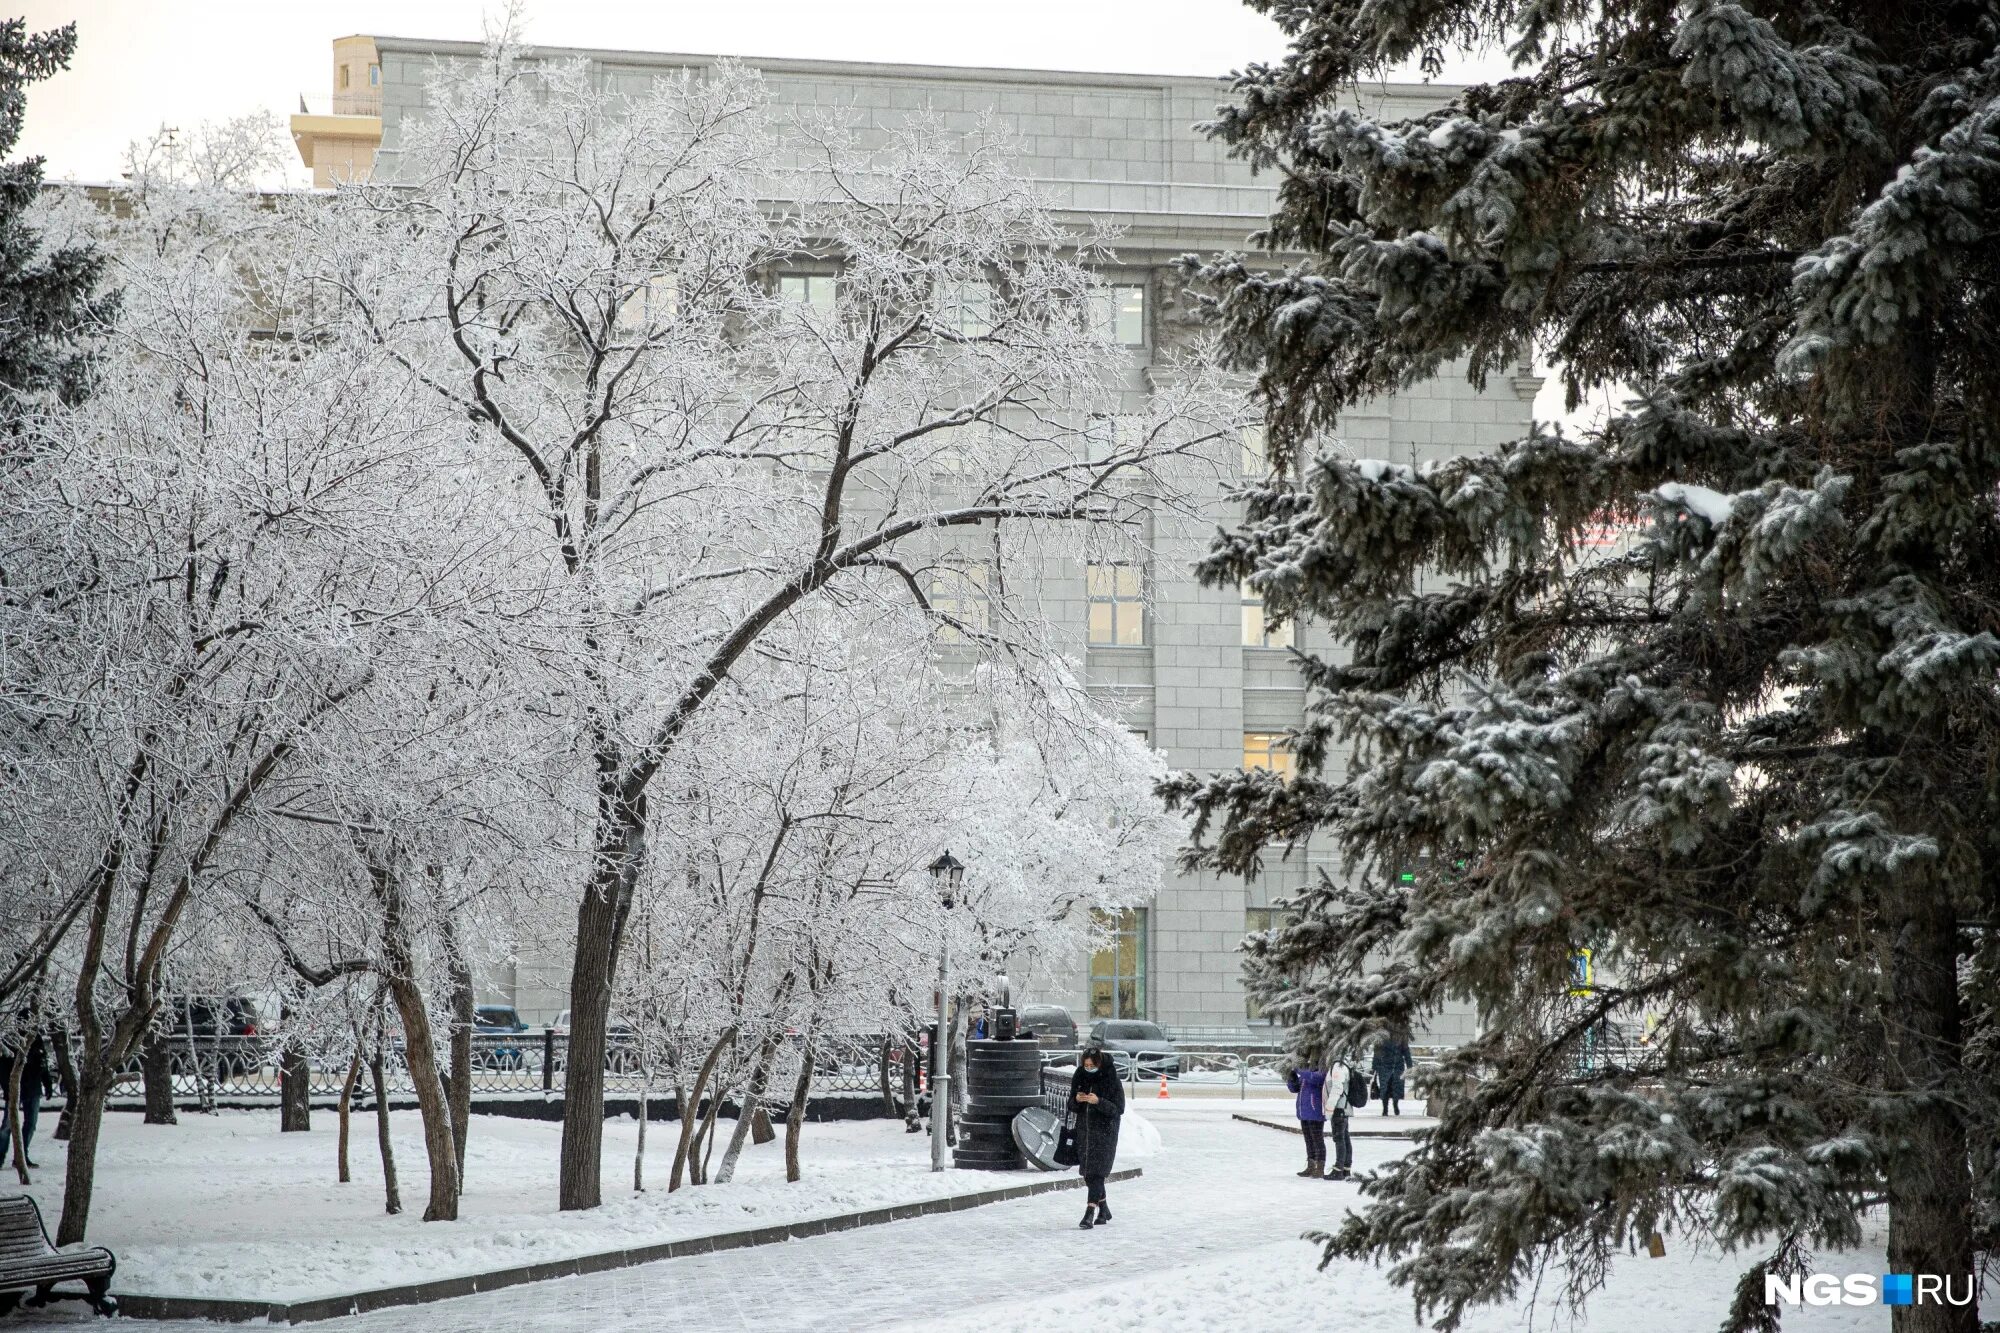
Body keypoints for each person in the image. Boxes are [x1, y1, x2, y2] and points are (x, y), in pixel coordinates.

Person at [1069, 1045, 1125, 1228]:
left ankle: (1089, 1213)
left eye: (1092, 1065)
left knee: (1097, 1174)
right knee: (1088, 1174)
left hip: (1105, 1133)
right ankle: (1104, 1209)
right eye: (1085, 1065)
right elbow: (1071, 1103)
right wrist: (1077, 1100)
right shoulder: (1080, 1076)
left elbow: (1118, 1109)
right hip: (1084, 1132)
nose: (1088, 1068)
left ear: (1099, 1064)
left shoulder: (1111, 1079)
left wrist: (1098, 1101)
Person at [0, 1024, 55, 1170]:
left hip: (32, 1088)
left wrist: (47, 1084)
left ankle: (21, 1157)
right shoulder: (12, 1040)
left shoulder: (36, 1039)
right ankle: (3, 1157)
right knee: (8, 1126)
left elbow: (43, 1064)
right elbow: (4, 1067)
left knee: (29, 1124)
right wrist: (7, 1087)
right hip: (16, 1089)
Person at [1285, 1061, 1327, 1177]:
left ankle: (1320, 1167)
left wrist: (1299, 1070)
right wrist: (1291, 1078)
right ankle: (1311, 1165)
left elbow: (1315, 1078)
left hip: (1315, 1110)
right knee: (1308, 1140)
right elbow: (1295, 1089)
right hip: (1304, 1111)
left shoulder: (1321, 1070)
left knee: (1317, 1140)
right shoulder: (1305, 1073)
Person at [1324, 1054, 1355, 1181]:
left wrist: (1329, 1109)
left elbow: (1337, 1088)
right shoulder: (1340, 1064)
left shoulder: (1338, 1066)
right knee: (1344, 1137)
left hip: (1339, 1108)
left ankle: (1338, 1169)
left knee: (1339, 1138)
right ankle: (1346, 1169)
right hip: (1343, 1108)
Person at [1372, 1032, 1415, 1116]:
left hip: (1397, 1066)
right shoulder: (1382, 1035)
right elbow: (1377, 1051)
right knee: (1385, 1088)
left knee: (1396, 1087)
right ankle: (1385, 1108)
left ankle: (1395, 1105)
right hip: (1385, 1066)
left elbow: (1406, 1052)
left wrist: (1410, 1065)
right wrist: (1375, 1066)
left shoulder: (1401, 1035)